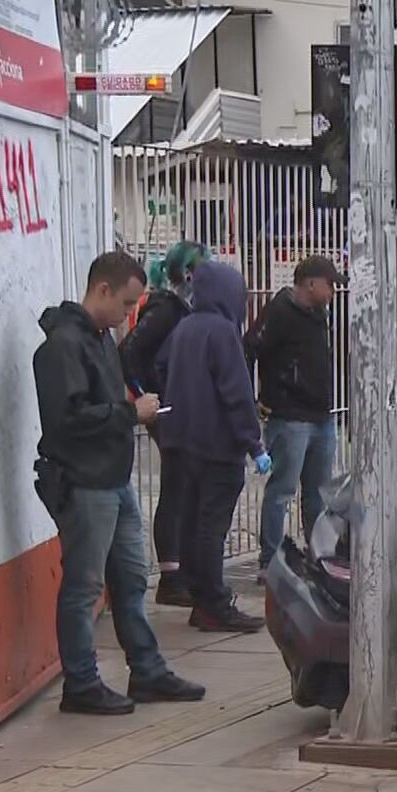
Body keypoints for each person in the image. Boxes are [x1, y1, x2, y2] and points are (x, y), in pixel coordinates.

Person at [33, 252, 206, 714]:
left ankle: (147, 670)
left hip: (114, 479)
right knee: (84, 586)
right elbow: (65, 422)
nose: (128, 315)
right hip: (86, 483)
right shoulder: (62, 347)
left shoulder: (101, 340)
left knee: (130, 579)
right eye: (126, 303)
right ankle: (82, 683)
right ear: (103, 290)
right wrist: (130, 413)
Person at [161, 262, 272, 633]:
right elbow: (236, 393)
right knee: (212, 527)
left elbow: (164, 373)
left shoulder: (184, 328)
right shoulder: (223, 333)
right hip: (216, 446)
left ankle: (200, 597)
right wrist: (253, 444)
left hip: (181, 443)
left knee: (192, 523)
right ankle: (214, 603)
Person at [119, 240, 207, 606]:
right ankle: (172, 575)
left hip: (177, 406)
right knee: (178, 484)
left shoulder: (184, 308)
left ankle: (181, 570)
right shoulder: (168, 310)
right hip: (166, 408)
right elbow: (130, 352)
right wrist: (147, 395)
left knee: (187, 484)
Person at [247, 256, 342, 573]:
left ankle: (318, 557)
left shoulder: (319, 313)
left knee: (318, 494)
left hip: (321, 416)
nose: (333, 290)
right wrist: (260, 396)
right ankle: (270, 562)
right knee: (282, 491)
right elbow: (251, 347)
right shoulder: (281, 311)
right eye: (329, 284)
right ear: (311, 283)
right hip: (290, 417)